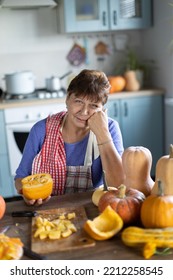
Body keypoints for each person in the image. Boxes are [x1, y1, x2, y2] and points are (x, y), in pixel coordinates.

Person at [15, 69, 124, 205]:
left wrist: (102, 134)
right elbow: (20, 178)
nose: (84, 112)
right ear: (67, 99)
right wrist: (26, 194)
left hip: (91, 207)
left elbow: (119, 185)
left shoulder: (110, 128)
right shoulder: (41, 130)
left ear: (102, 109)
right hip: (48, 209)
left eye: (94, 105)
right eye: (78, 101)